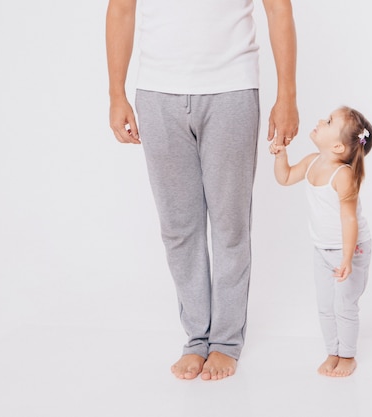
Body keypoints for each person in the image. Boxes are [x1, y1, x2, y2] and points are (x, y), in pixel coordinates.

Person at [105, 0, 299, 381]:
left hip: (232, 88)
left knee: (230, 224)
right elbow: (121, 9)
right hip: (158, 92)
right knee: (178, 227)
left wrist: (287, 96)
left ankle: (225, 342)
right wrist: (116, 94)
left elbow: (279, 9)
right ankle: (197, 338)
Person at [270, 106, 372, 377]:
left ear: (339, 147)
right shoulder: (313, 161)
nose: (320, 121)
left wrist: (347, 260)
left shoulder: (343, 176)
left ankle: (347, 355)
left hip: (350, 250)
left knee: (344, 305)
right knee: (326, 305)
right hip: (322, 249)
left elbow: (349, 221)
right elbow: (285, 177)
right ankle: (333, 351)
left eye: (328, 121)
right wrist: (281, 154)